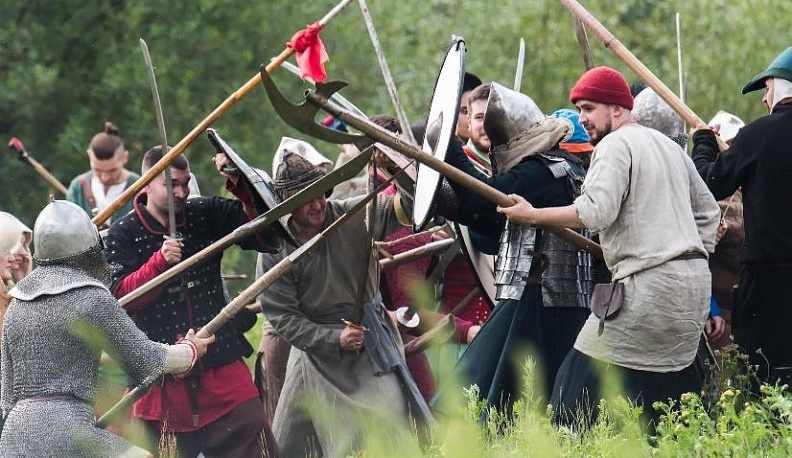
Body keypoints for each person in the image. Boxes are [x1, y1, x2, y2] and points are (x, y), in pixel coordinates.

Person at [499, 66, 720, 428]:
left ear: (617, 108)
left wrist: (533, 214)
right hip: (693, 286)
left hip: (649, 287)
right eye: (581, 109)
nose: (582, 119)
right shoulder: (670, 146)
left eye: (589, 108)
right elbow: (709, 212)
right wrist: (692, 254)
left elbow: (595, 212)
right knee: (663, 391)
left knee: (574, 390)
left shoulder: (614, 145)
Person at [0, 200, 214, 457]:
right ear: (89, 249)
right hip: (70, 433)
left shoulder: (17, 304)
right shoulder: (91, 298)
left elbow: (7, 397)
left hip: (13, 437)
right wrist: (189, 351)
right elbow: (146, 359)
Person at [105, 147, 280, 458]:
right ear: (146, 183)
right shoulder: (123, 232)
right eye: (171, 184)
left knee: (254, 434)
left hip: (220, 360)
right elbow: (121, 299)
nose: (182, 192)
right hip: (158, 372)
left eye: (185, 183)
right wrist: (158, 263)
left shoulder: (204, 213)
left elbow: (267, 230)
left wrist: (238, 179)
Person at [258, 148, 431, 457]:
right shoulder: (274, 247)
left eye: (320, 193)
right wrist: (332, 338)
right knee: (288, 445)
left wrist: (395, 165)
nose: (318, 203)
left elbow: (411, 205)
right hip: (313, 354)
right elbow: (282, 317)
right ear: (288, 205)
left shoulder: (354, 213)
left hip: (369, 344)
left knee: (385, 425)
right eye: (306, 198)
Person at [434, 82, 592, 415]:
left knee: (496, 403)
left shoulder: (541, 172)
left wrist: (448, 148)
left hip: (540, 301)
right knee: (496, 402)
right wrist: (443, 198)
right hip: (535, 298)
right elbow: (488, 225)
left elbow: (482, 198)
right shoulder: (552, 169)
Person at [692, 47, 792, 387]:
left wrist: (703, 141)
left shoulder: (758, 135)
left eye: (767, 88)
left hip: (768, 281)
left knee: (761, 377)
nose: (765, 100)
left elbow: (710, 183)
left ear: (782, 87)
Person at [66, 122, 140, 225]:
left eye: (112, 170)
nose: (105, 178)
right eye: (97, 170)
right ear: (89, 156)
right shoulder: (78, 187)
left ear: (125, 157)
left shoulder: (139, 186)